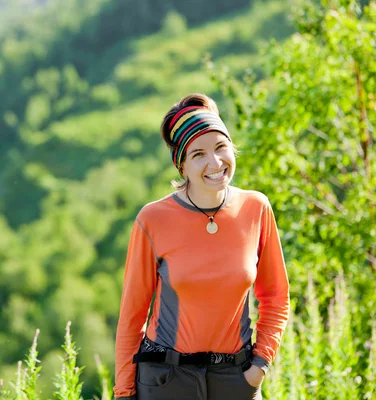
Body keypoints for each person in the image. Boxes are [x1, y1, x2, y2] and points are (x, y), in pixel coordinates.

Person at [113, 93, 290, 400]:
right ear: (181, 165)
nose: (215, 162)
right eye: (198, 154)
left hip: (236, 379)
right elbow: (132, 316)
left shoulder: (256, 208)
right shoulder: (153, 219)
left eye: (221, 147)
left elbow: (276, 297)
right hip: (166, 380)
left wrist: (259, 365)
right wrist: (124, 393)